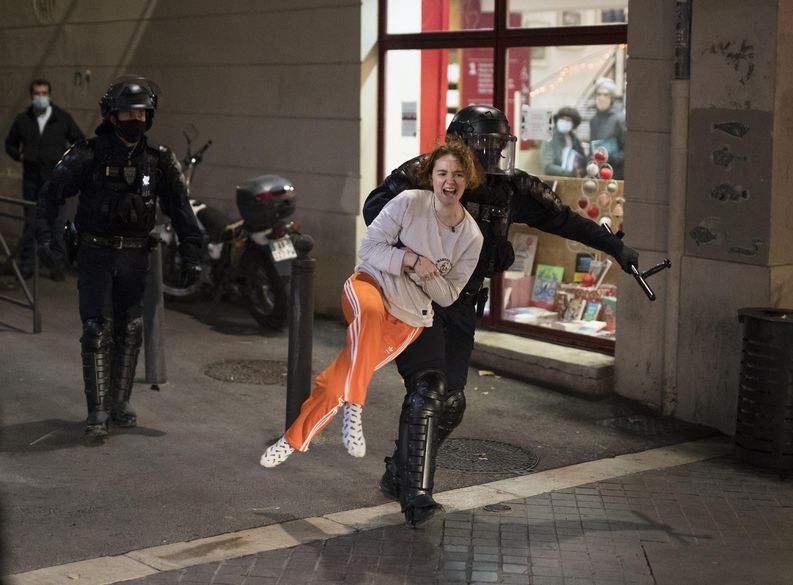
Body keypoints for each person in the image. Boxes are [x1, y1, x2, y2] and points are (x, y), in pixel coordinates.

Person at [363, 104, 639, 527]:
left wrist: (615, 248)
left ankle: (401, 469)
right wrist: (413, 254)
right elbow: (375, 213)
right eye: (482, 145)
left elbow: (561, 219)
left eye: (498, 145)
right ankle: (416, 495)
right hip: (417, 298)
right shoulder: (424, 172)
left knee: (451, 401)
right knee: (429, 389)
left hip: (462, 301)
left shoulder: (510, 187)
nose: (490, 155)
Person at [260, 138, 484, 525]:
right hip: (370, 286)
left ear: (469, 180)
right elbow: (370, 248)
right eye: (443, 173)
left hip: (409, 316)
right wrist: (411, 259)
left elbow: (447, 296)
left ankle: (293, 439)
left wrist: (422, 273)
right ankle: (355, 410)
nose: (450, 181)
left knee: (337, 380)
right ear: (431, 176)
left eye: (458, 175)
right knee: (366, 315)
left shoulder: (471, 237)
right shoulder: (408, 202)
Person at [35, 75, 204, 439]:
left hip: (135, 257)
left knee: (130, 328)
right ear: (112, 115)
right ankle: (96, 411)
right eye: (127, 112)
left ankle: (120, 403)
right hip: (96, 253)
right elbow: (51, 195)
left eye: (141, 113)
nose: (134, 119)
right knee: (97, 330)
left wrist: (193, 253)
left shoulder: (158, 160)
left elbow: (180, 209)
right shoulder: (88, 154)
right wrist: (47, 240)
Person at [4, 78, 85, 280]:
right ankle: (27, 265)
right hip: (31, 178)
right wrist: (20, 156)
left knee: (56, 223)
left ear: (49, 94)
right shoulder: (23, 119)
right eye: (37, 94)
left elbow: (79, 141)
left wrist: (67, 161)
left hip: (55, 180)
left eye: (44, 93)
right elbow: (10, 144)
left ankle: (56, 266)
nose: (41, 97)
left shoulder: (62, 118)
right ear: (32, 96)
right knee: (31, 223)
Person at [589, 77, 626, 179]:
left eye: (606, 95)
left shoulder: (620, 119)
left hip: (615, 174)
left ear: (611, 98)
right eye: (599, 94)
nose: (602, 97)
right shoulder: (593, 120)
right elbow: (591, 147)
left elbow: (627, 150)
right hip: (597, 173)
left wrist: (610, 158)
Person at [541, 106, 587, 177]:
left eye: (568, 120)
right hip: (553, 182)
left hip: (572, 182)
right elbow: (547, 166)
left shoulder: (574, 139)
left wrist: (581, 172)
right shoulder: (550, 137)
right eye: (562, 119)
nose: (565, 121)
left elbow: (583, 162)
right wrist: (571, 173)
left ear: (573, 124)